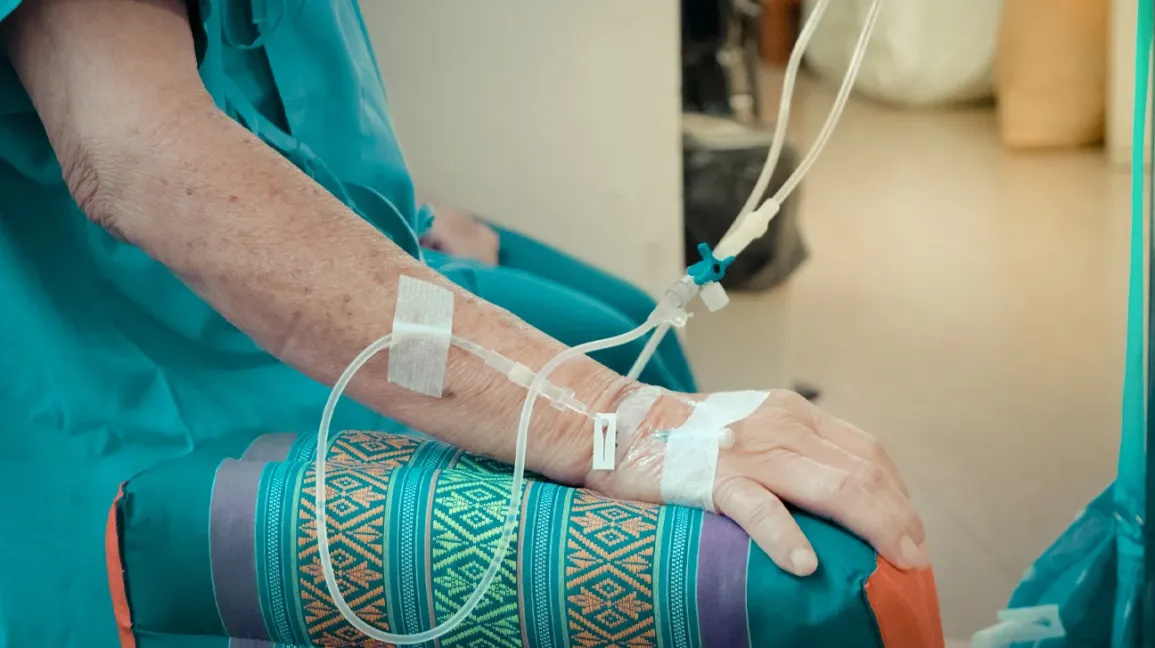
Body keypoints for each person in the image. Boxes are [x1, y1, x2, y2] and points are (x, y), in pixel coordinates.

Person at [0, 1, 926, 645]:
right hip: (155, 394)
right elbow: (137, 153)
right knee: (792, 574)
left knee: (622, 320)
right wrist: (616, 425)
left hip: (348, 251)